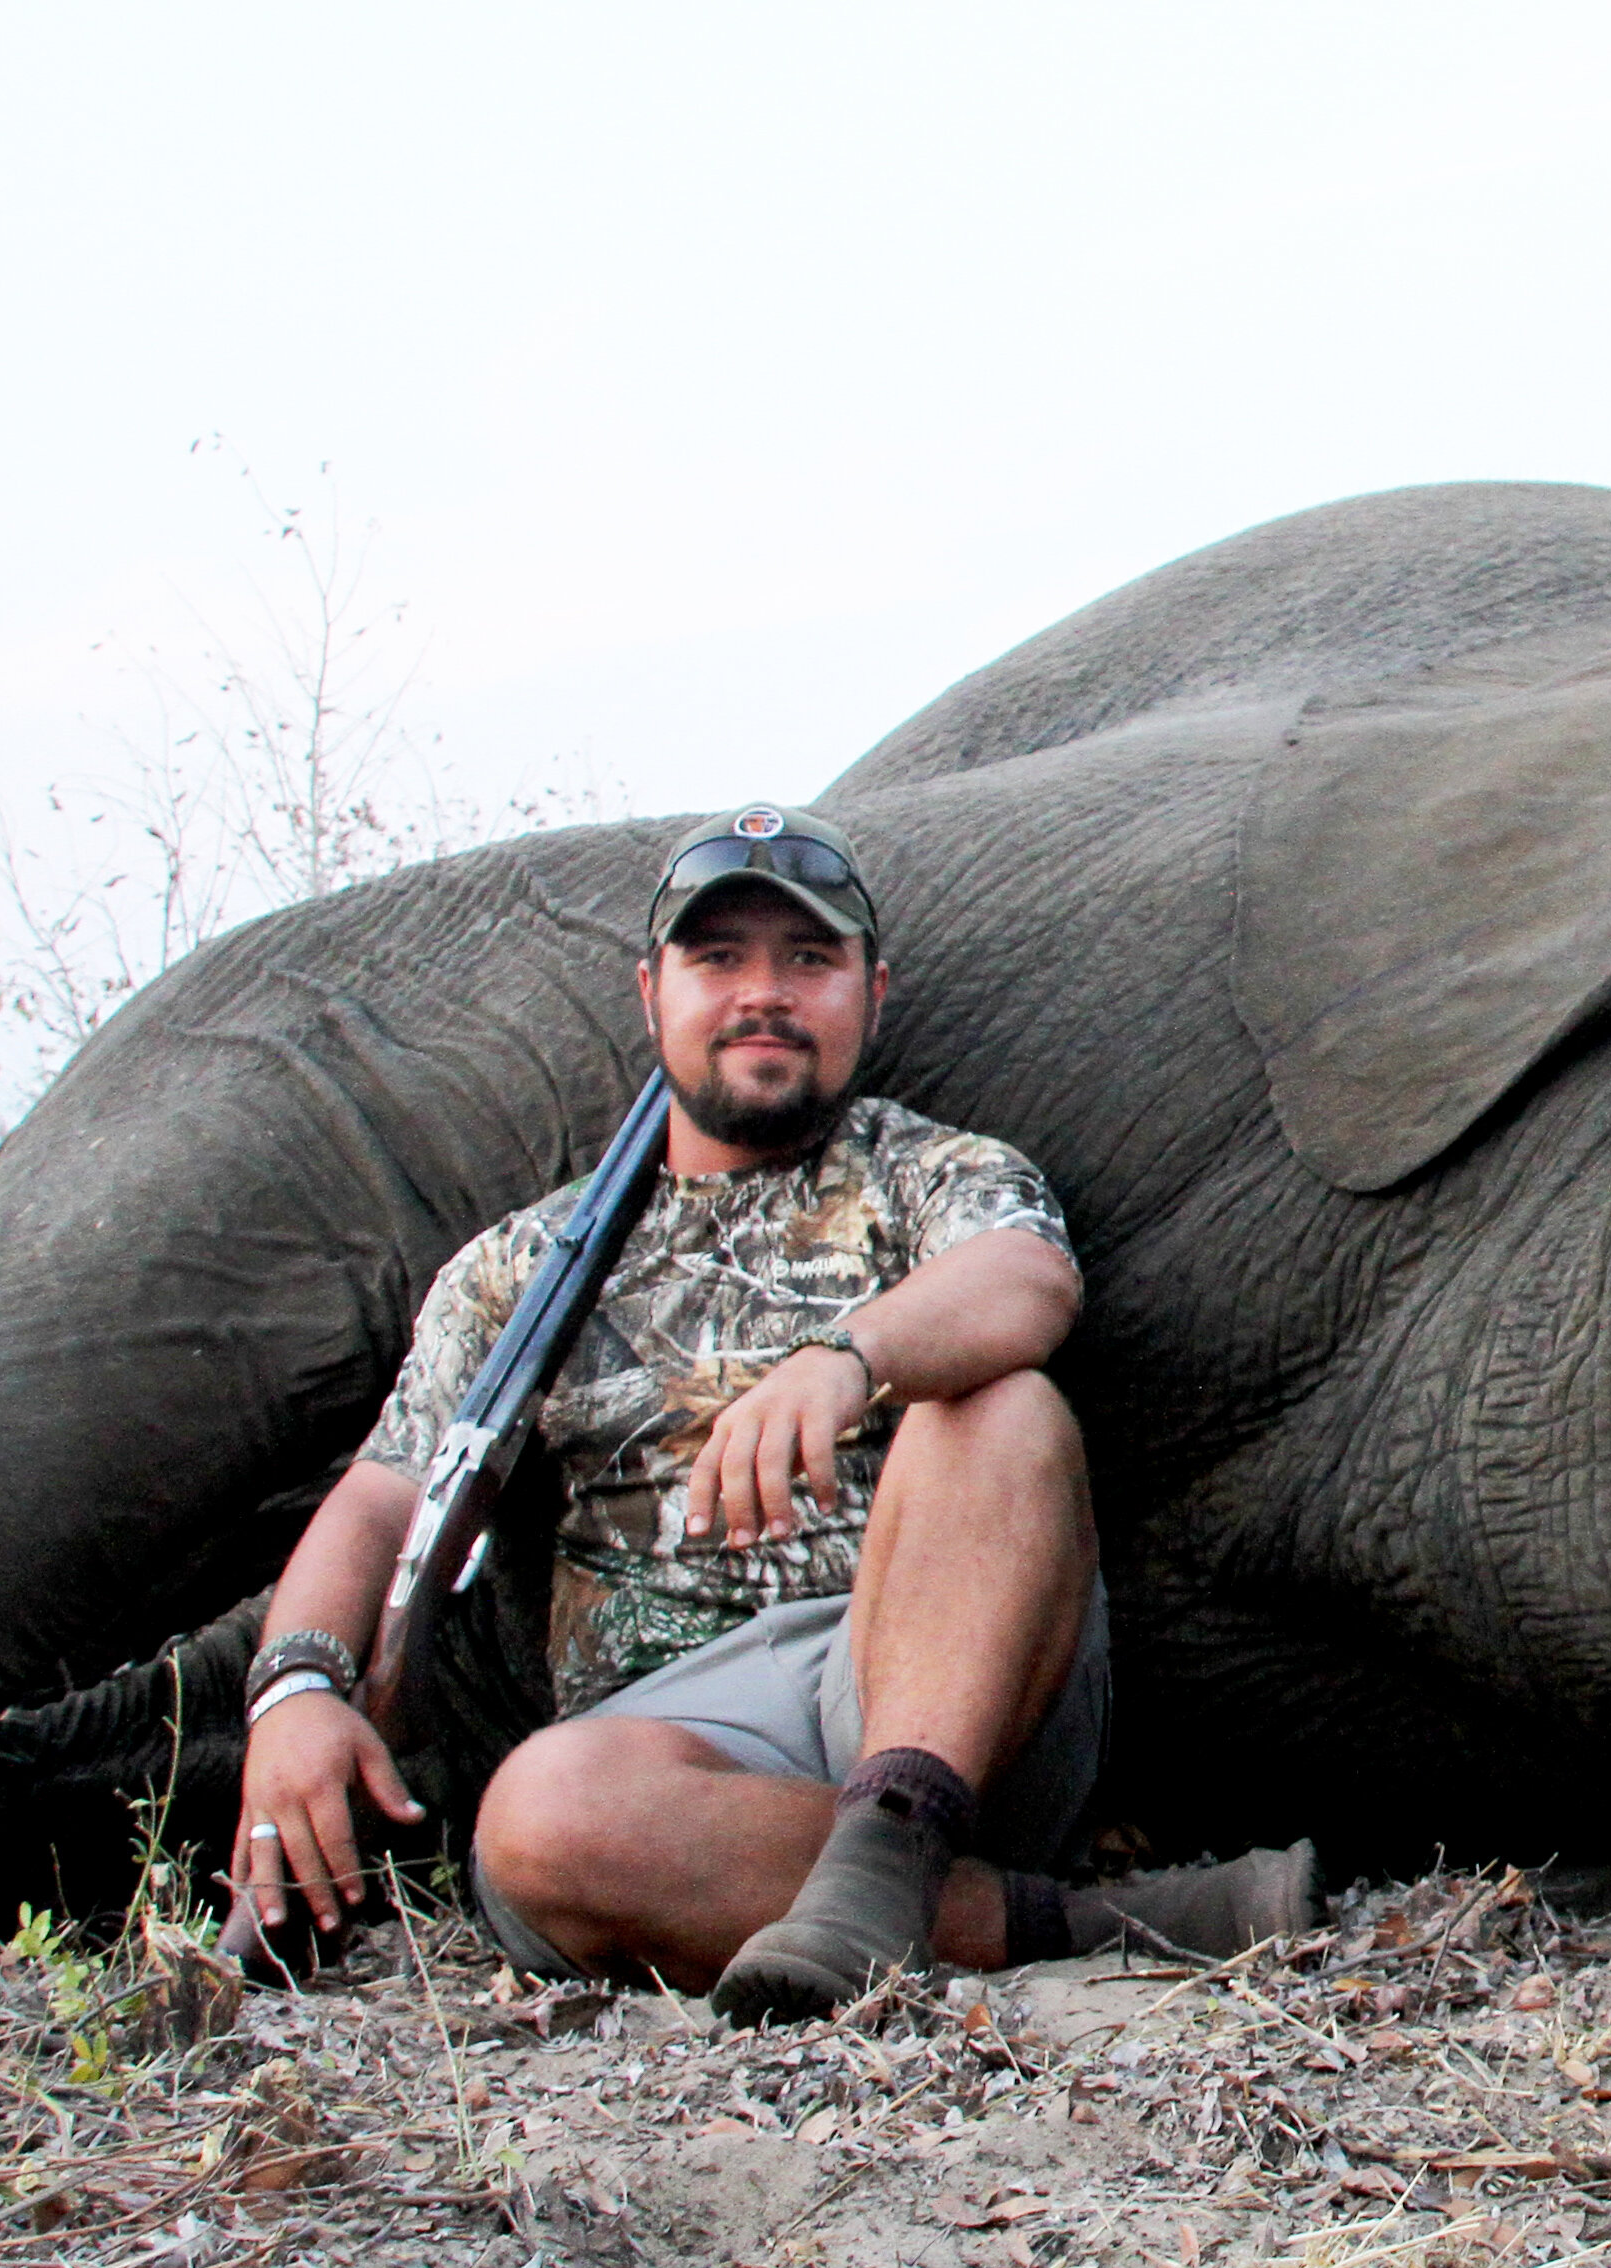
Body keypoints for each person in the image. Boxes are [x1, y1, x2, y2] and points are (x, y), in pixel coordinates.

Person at [224, 804, 1309, 2020]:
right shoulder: (518, 1266)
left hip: (943, 1680)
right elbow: (385, 1492)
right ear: (651, 992)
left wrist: (848, 1358)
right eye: (719, 957)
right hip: (683, 1745)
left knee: (996, 1406)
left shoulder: (935, 1172)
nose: (765, 993)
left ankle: (897, 1840)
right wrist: (298, 1689)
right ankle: (1084, 1922)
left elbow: (1027, 1281)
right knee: (540, 1817)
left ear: (872, 993)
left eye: (809, 959)